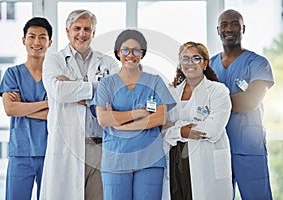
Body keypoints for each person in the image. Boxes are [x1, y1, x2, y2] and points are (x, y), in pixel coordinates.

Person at [40, 9, 119, 200]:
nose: (81, 33)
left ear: (93, 33)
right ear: (67, 31)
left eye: (87, 29)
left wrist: (75, 89)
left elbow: (117, 94)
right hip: (66, 144)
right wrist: (97, 90)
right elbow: (59, 91)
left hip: (99, 146)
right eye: (77, 28)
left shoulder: (107, 62)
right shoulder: (54, 60)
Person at [90, 29, 176, 200]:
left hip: (150, 160)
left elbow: (159, 118)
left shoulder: (155, 81)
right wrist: (140, 114)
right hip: (116, 159)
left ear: (142, 53)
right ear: (118, 53)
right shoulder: (106, 84)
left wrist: (119, 121)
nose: (131, 55)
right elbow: (103, 118)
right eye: (125, 50)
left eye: (136, 50)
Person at [210, 9, 274, 200]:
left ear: (243, 28)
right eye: (224, 25)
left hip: (249, 148)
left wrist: (215, 104)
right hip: (218, 148)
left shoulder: (258, 63)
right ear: (218, 30)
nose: (229, 28)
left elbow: (250, 101)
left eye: (235, 24)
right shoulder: (209, 65)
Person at [163, 41, 233, 200]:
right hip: (176, 160)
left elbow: (213, 129)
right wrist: (181, 130)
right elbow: (161, 129)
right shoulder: (171, 92)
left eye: (196, 58)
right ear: (180, 64)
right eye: (185, 59)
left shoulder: (218, 91)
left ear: (205, 63)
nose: (190, 63)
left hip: (206, 160)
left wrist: (175, 127)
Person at [0, 17, 52, 200]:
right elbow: (11, 109)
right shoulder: (13, 74)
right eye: (32, 36)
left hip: (50, 153)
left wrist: (24, 107)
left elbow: (58, 115)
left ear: (49, 42)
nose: (37, 42)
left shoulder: (55, 78)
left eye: (42, 37)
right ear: (24, 40)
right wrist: (47, 104)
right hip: (20, 152)